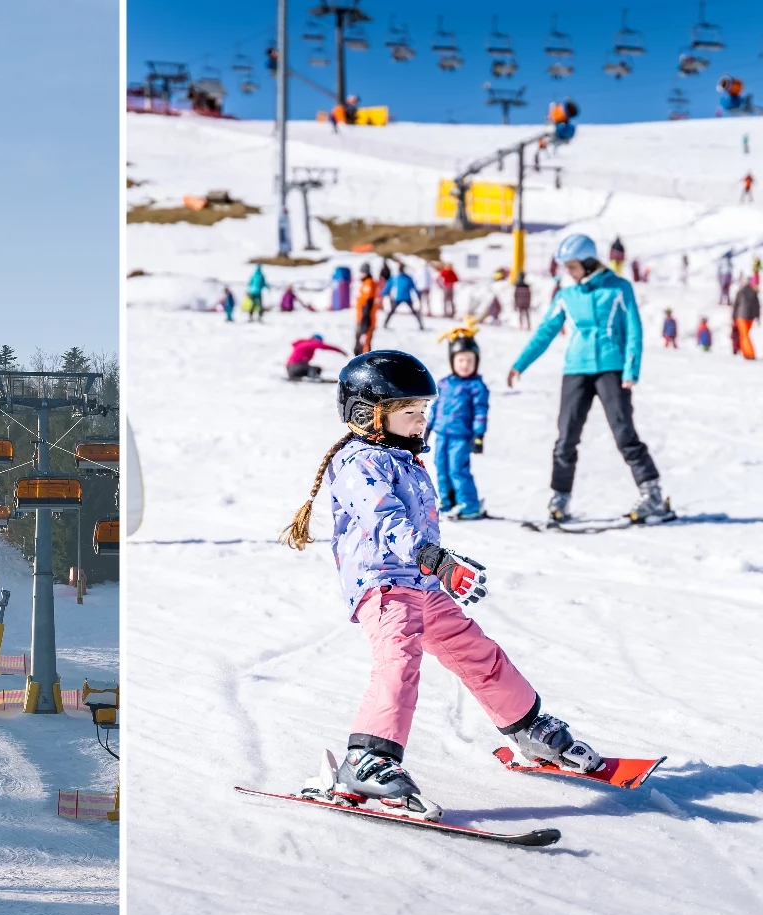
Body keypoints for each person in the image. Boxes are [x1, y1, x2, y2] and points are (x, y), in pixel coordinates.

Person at [285, 350, 603, 816]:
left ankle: (526, 727)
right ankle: (368, 759)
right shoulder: (358, 465)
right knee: (398, 661)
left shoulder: (400, 456)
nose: (420, 422)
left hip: (421, 585)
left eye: (422, 412)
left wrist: (438, 568)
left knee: (477, 651)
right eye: (409, 413)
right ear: (365, 414)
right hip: (384, 586)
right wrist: (433, 558)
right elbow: (384, 520)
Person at [507, 234, 668, 524]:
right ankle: (560, 498)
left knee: (624, 433)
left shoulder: (619, 288)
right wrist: (521, 364)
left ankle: (653, 494)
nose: (568, 271)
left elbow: (634, 329)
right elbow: (546, 331)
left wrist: (631, 369)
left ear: (588, 261)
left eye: (572, 265)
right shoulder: (566, 295)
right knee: (566, 437)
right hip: (576, 369)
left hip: (612, 367)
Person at [426, 333, 489, 519]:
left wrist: (479, 435)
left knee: (457, 469)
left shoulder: (477, 386)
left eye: (470, 360)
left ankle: (469, 505)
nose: (465, 365)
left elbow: (480, 412)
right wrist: (427, 428)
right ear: (452, 361)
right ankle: (447, 502)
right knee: (441, 466)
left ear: (476, 362)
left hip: (461, 436)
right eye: (461, 360)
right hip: (442, 434)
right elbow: (435, 407)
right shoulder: (444, 384)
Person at [383, 262, 423, 329]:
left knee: (392, 311)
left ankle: (385, 324)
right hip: (402, 298)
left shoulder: (397, 278)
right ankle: (421, 325)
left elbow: (388, 286)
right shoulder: (404, 278)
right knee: (413, 311)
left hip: (401, 298)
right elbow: (414, 287)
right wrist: (418, 295)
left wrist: (384, 293)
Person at [353, 263, 379, 356]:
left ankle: (363, 360)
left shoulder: (369, 283)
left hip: (366, 319)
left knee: (364, 342)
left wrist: (365, 320)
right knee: (358, 341)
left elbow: (368, 303)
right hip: (361, 318)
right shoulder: (365, 283)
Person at [732, 278, 759, 360]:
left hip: (741, 316)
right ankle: (746, 352)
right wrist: (757, 316)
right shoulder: (753, 292)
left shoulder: (740, 292)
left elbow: (736, 305)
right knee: (745, 334)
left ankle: (749, 352)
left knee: (744, 335)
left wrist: (733, 316)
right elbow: (757, 306)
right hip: (750, 317)